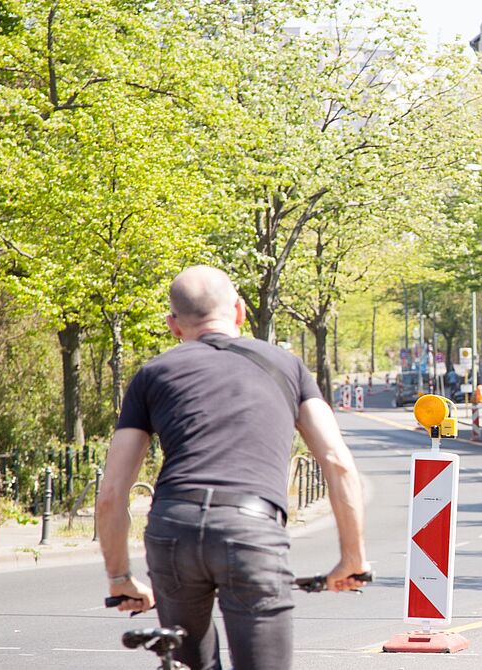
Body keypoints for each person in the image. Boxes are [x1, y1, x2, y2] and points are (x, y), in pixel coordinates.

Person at [96, 266, 369, 670]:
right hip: (251, 532)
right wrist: (352, 558)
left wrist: (120, 578)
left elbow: (113, 493)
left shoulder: (151, 375)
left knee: (190, 663)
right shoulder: (287, 367)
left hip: (174, 529)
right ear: (240, 312)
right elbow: (337, 463)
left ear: (173, 326)